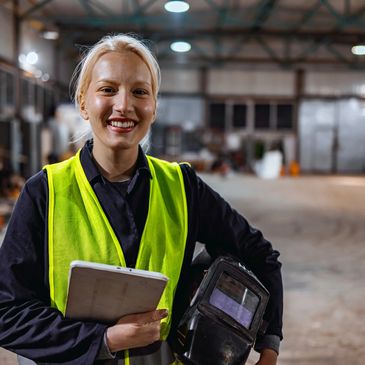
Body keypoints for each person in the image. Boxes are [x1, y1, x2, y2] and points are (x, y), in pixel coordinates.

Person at [0, 34, 283, 365]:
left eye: (139, 92)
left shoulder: (182, 186)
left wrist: (269, 344)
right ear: (82, 102)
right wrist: (103, 339)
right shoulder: (45, 192)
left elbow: (262, 256)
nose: (124, 105)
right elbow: (7, 314)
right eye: (108, 89)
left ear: (154, 106)